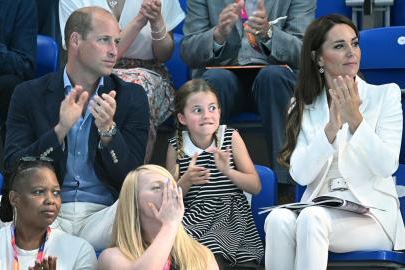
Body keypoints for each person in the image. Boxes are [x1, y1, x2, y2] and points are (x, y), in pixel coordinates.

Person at [264, 14, 405, 270]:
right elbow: (300, 174)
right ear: (319, 58)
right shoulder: (302, 105)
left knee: (311, 218)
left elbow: (387, 166)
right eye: (340, 46)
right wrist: (330, 129)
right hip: (319, 208)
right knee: (278, 219)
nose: (351, 52)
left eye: (354, 43)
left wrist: (356, 121)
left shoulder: (385, 95)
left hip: (373, 217)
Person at [3, 6, 149, 251]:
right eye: (104, 40)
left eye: (117, 41)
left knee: (152, 201)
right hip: (45, 212)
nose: (114, 51)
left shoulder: (130, 96)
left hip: (104, 217)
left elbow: (131, 179)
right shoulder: (28, 94)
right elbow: (13, 167)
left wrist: (108, 131)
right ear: (75, 40)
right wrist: (59, 130)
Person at [180, 0, 315, 185]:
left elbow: (304, 52)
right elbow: (188, 51)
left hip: (272, 77)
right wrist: (217, 35)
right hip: (224, 75)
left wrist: (269, 33)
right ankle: (206, 183)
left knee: (273, 77)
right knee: (215, 80)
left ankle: (286, 184)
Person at [59, 0, 185, 162]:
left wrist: (156, 22)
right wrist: (139, 21)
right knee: (88, 86)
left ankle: (133, 177)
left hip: (147, 70)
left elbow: (164, 54)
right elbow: (81, 51)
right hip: (91, 69)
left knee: (136, 90)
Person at [166, 79, 264, 268]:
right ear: (182, 118)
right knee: (187, 251)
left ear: (219, 112)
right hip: (193, 219)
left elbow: (256, 186)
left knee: (219, 250)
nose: (207, 115)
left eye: (212, 108)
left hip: (231, 217)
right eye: (197, 110)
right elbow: (170, 198)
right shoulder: (175, 145)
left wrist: (228, 171)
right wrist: (186, 180)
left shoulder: (230, 136)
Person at [97, 164, 219, 270]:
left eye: (172, 186)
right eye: (156, 187)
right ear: (134, 201)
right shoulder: (112, 257)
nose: (169, 192)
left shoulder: (201, 255)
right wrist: (169, 224)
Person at [0, 157, 97, 270]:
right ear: (14, 199)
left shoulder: (80, 251)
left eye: (56, 193)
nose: (51, 200)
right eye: (38, 192)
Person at [0, 0, 37, 145]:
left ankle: (12, 162)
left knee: (12, 86)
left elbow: (25, 65)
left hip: (3, 80)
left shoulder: (22, 3)